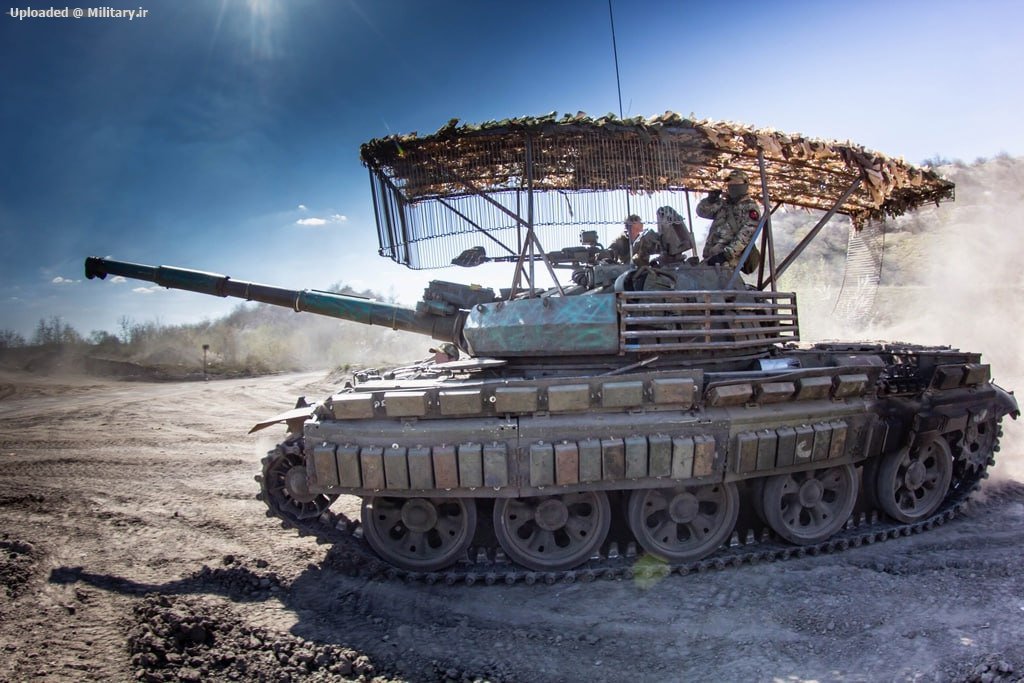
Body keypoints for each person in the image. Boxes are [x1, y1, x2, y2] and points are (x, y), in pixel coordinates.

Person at [697, 170, 762, 272]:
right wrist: (710, 199)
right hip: (710, 258)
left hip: (727, 262)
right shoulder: (724, 204)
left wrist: (726, 255)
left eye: (736, 183)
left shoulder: (750, 207)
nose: (732, 186)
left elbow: (746, 235)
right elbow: (702, 212)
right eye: (730, 184)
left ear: (745, 184)